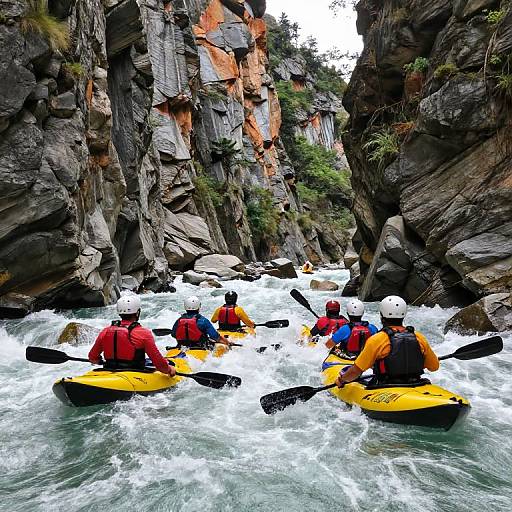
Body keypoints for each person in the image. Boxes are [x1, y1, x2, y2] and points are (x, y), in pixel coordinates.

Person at [336, 296, 439, 387]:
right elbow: (434, 367)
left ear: (382, 317)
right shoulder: (419, 337)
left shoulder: (377, 339)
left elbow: (356, 371)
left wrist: (342, 380)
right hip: (416, 383)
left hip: (386, 386)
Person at [89, 295, 176, 376]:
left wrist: (99, 361)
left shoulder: (106, 331)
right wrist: (169, 370)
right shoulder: (143, 333)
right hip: (135, 373)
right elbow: (159, 363)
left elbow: (92, 357)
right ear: (137, 312)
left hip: (109, 369)